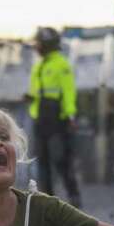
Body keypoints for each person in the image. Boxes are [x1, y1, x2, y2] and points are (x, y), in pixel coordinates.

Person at [27, 27, 81, 207]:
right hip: (41, 118)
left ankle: (73, 196)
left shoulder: (61, 64)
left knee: (61, 159)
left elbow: (68, 92)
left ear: (48, 44)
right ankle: (47, 198)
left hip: (57, 118)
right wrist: (30, 98)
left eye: (39, 43)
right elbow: (37, 91)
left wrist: (71, 116)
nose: (37, 47)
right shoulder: (40, 65)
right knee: (42, 159)